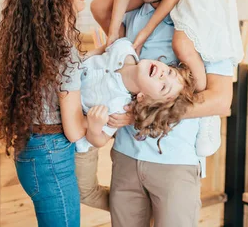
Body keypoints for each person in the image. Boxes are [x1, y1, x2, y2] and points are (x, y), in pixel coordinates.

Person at [105, 0, 237, 227]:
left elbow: (220, 100)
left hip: (175, 162)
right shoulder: (136, 12)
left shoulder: (203, 18)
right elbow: (100, 7)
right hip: (126, 155)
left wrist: (143, 116)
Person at [0, 0, 87, 227]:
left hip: (30, 152)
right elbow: (75, 130)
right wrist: (102, 120)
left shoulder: (34, 46)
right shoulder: (65, 53)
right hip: (53, 157)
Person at [74, 37, 198, 211]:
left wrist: (94, 128)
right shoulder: (123, 48)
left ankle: (135, 208)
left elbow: (100, 140)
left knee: (85, 193)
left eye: (163, 87)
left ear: (142, 97)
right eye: (170, 72)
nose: (163, 75)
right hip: (58, 97)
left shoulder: (118, 106)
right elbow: (99, 50)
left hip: (82, 142)